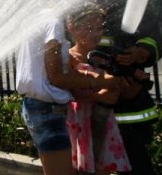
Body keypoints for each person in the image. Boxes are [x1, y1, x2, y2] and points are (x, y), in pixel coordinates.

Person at [86, 0, 162, 175]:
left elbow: (156, 38)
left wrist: (142, 52)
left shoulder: (137, 4)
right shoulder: (88, 9)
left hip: (131, 103)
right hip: (98, 97)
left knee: (135, 162)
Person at [16, 10, 118, 175]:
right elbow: (56, 77)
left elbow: (48, 69)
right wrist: (100, 81)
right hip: (48, 110)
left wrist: (85, 74)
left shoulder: (37, 19)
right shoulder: (53, 23)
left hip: (39, 108)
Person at [66, 2, 130, 174]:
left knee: (102, 166)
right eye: (88, 28)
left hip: (103, 121)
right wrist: (101, 95)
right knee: (81, 167)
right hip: (80, 122)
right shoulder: (69, 58)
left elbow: (121, 88)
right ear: (72, 28)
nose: (96, 34)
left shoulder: (103, 58)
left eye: (99, 28)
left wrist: (118, 86)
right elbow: (71, 92)